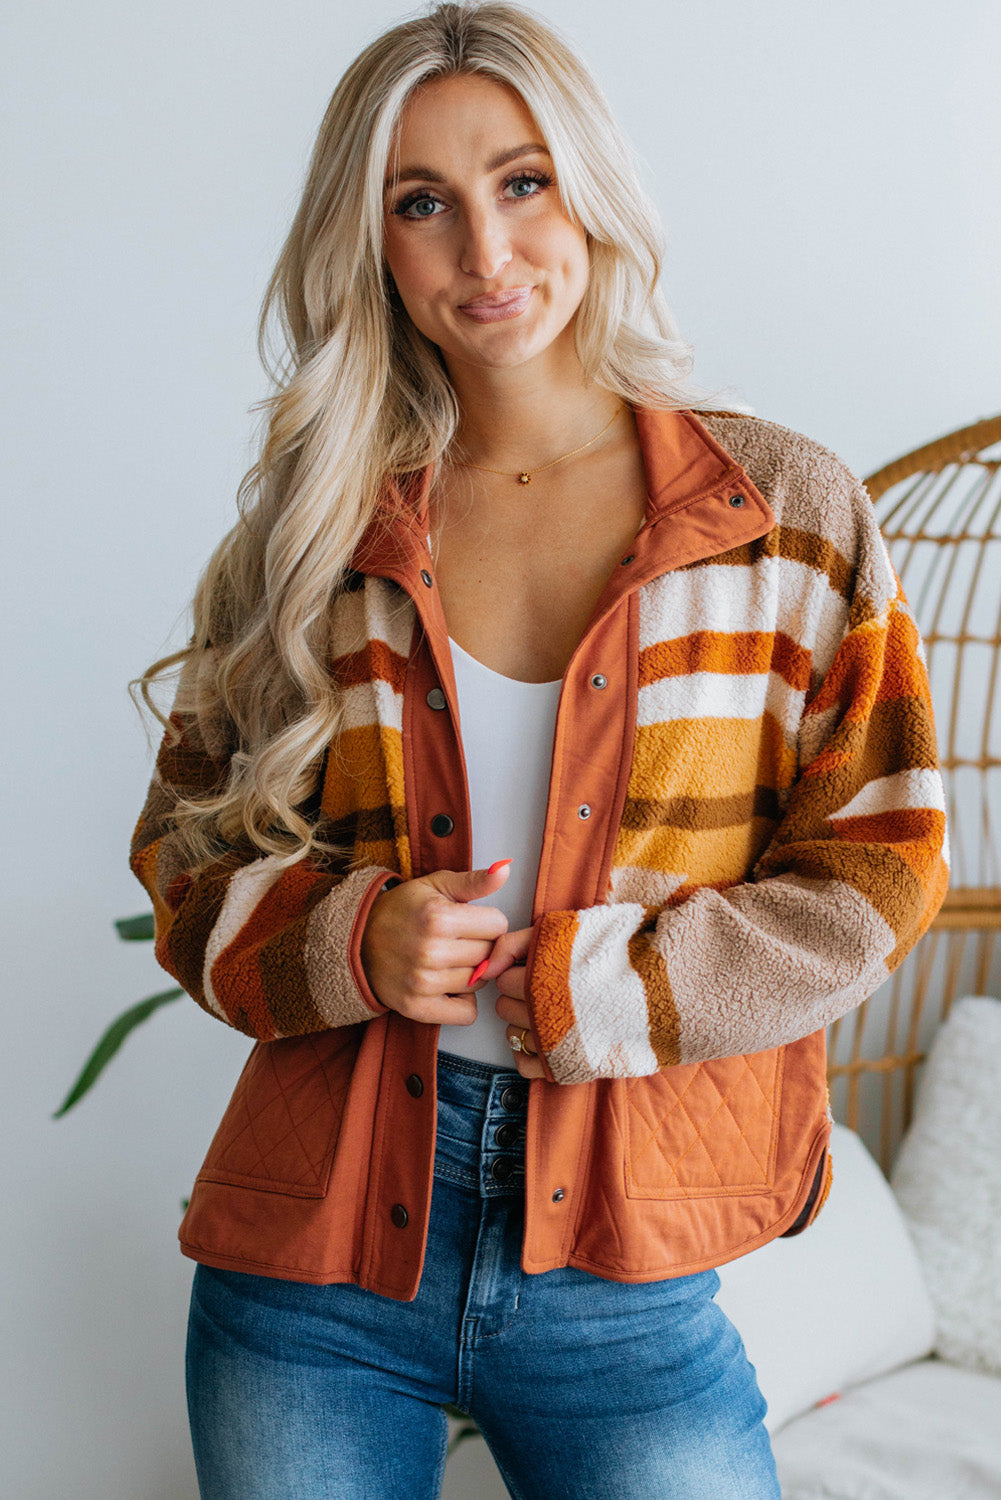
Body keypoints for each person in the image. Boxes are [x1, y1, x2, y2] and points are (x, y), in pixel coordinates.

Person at [129, 3, 948, 1496]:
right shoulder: (318, 533)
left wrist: (611, 988)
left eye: (522, 182)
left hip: (626, 1287)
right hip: (310, 1275)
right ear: (367, 240)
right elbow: (186, 852)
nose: (484, 254)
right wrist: (353, 945)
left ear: (593, 190)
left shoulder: (781, 514)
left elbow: (875, 866)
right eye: (421, 203)